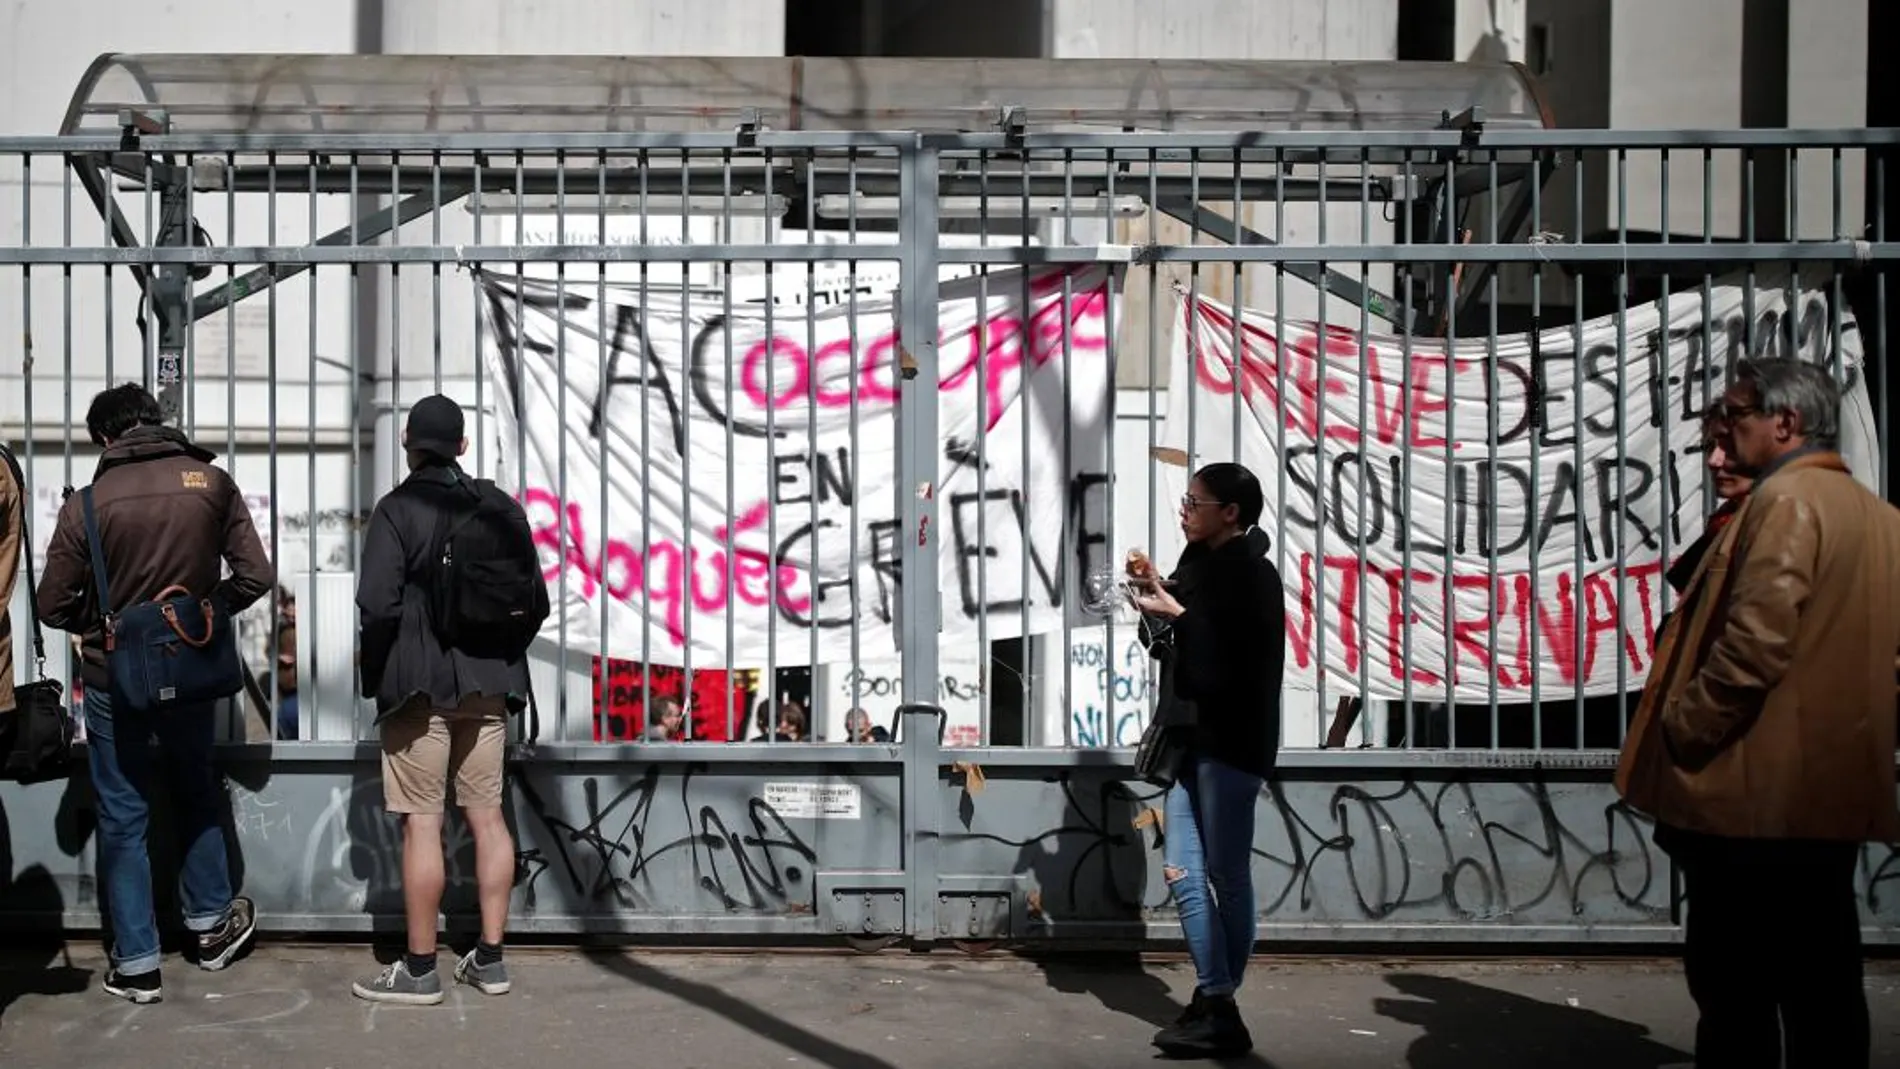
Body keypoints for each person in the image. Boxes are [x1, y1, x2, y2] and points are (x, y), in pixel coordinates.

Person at [1616, 358, 1900, 1069]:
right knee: (1823, 984)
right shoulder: (1878, 515)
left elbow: (1754, 646)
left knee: (1736, 990)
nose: (1721, 446)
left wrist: (1684, 727)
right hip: (1824, 792)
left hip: (1755, 798)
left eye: (1735, 421)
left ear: (1786, 421)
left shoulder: (1785, 504)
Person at [35, 383, 273, 1004]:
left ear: (106, 438)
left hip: (114, 675)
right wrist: (203, 611)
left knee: (122, 813)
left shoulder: (87, 503)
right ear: (153, 421)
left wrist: (109, 620)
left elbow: (50, 603)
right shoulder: (210, 482)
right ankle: (210, 928)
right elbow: (257, 575)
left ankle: (137, 963)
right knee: (196, 788)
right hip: (193, 669)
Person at [351, 395, 547, 1006]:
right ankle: (489, 960)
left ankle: (418, 968)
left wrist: (383, 663)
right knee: (488, 818)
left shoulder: (396, 509)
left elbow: (377, 603)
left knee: (423, 823)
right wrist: (498, 649)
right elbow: (534, 601)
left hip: (418, 686)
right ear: (463, 446)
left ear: (408, 444)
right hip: (489, 686)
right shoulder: (500, 508)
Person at [1126, 462, 1286, 1058]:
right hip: (1190, 741)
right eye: (1186, 499)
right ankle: (1217, 999)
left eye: (1197, 501)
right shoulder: (1195, 567)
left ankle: (1220, 1002)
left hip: (1232, 746)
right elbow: (1166, 646)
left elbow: (1234, 669)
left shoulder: (1254, 578)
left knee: (1225, 874)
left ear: (1232, 513)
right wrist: (1151, 597)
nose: (1185, 509)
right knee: (1181, 870)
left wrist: (1182, 618)